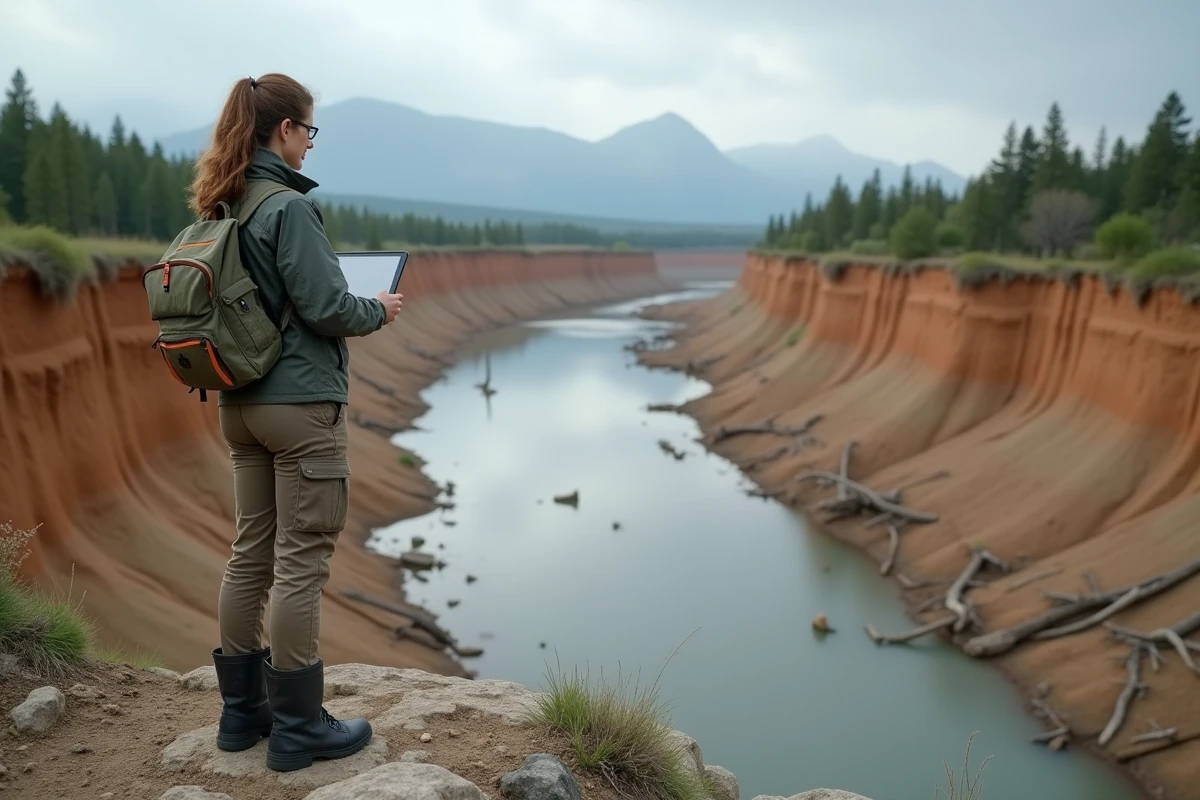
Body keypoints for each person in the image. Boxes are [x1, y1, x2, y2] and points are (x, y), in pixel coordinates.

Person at [186, 72, 404, 772]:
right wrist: (378, 308)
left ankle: (240, 716)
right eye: (309, 131)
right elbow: (326, 308)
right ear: (284, 131)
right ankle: (301, 727)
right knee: (301, 563)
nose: (311, 143)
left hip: (239, 406)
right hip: (301, 409)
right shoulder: (288, 208)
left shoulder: (220, 205)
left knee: (250, 553)